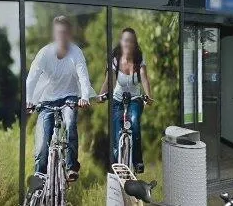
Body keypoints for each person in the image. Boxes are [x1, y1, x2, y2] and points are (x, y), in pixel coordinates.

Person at [26, 15, 96, 182]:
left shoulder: (76, 53)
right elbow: (32, 78)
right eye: (58, 33)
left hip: (69, 98)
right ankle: (40, 174)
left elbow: (83, 77)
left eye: (64, 33)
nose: (61, 37)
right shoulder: (45, 53)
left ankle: (71, 167)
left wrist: (84, 97)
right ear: (54, 34)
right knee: (43, 140)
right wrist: (29, 100)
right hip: (47, 100)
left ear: (69, 34)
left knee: (70, 123)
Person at [99, 27, 153, 173]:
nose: (127, 44)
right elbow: (109, 81)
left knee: (134, 123)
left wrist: (148, 97)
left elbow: (145, 80)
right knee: (117, 134)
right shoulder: (115, 60)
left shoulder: (139, 59)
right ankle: (118, 168)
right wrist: (101, 95)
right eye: (125, 40)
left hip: (135, 99)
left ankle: (137, 162)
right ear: (121, 42)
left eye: (131, 41)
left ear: (134, 44)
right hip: (117, 100)